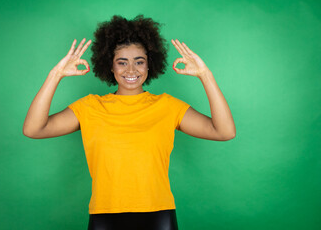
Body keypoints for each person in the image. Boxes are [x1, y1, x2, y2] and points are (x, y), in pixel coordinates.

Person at [23, 15, 236, 230]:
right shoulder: (89, 107)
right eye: (122, 62)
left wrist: (205, 75)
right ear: (110, 66)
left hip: (158, 216)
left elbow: (224, 132)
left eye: (139, 62)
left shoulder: (167, 106)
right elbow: (34, 129)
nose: (131, 70)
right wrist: (55, 75)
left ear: (149, 65)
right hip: (104, 216)